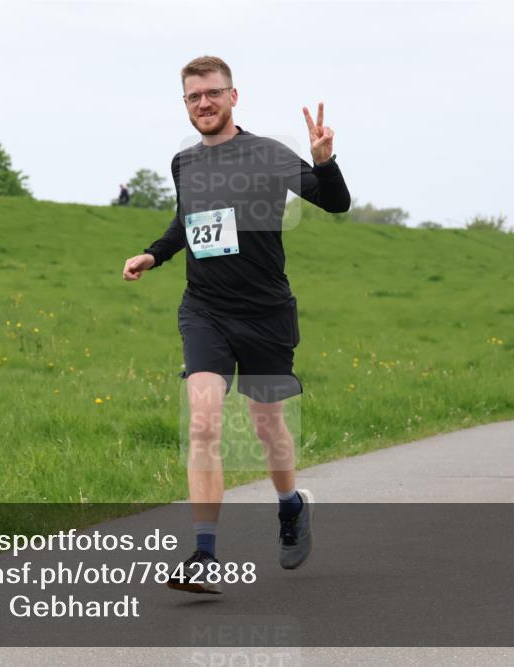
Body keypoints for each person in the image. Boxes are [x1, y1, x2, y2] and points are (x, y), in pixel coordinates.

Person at [121, 56, 350, 594]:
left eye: (213, 94)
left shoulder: (268, 154)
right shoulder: (183, 163)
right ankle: (204, 555)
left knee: (268, 427)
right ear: (186, 103)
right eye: (193, 97)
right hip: (206, 311)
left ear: (233, 96)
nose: (204, 103)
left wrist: (325, 162)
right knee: (202, 423)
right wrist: (154, 255)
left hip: (266, 313)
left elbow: (335, 203)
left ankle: (291, 506)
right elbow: (188, 222)